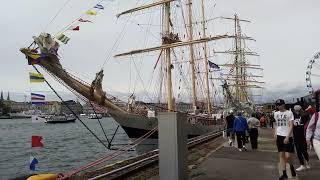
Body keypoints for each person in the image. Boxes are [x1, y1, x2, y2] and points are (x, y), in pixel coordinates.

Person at [273, 99, 296, 180]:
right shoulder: (275, 113)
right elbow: (275, 124)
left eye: (279, 104)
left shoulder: (289, 113)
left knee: (288, 156)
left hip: (287, 136)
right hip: (279, 136)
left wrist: (287, 136)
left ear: (283, 105)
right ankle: (284, 174)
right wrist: (275, 132)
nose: (278, 106)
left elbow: (291, 125)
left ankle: (291, 166)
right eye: (277, 105)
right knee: (281, 156)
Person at [292, 105, 310, 171]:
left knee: (304, 151)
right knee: (298, 151)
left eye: (297, 110)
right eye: (295, 110)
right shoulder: (293, 116)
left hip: (303, 136)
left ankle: (307, 162)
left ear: (300, 110)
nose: (296, 111)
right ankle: (302, 165)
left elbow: (307, 125)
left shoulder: (305, 115)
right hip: (296, 136)